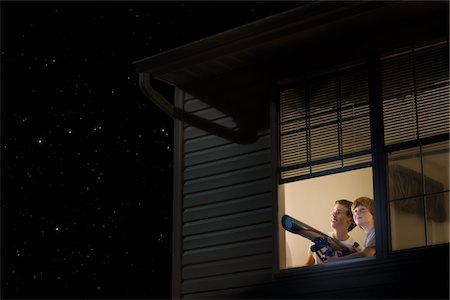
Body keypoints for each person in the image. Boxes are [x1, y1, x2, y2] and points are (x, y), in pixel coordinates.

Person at [304, 199, 361, 265]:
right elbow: (307, 266)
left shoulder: (357, 249)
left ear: (350, 220)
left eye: (338, 212)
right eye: (333, 211)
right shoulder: (317, 238)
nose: (333, 214)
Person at [324, 196, 376, 262]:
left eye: (362, 209)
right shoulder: (369, 234)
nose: (357, 212)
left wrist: (336, 260)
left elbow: (366, 254)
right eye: (355, 211)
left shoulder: (375, 232)